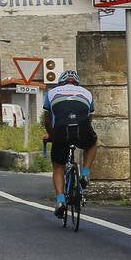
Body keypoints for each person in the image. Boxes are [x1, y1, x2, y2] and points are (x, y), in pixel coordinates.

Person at [42, 69, 98, 219]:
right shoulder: (87, 93)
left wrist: (52, 135)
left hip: (60, 131)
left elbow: (47, 120)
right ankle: (85, 174)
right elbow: (88, 119)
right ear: (77, 83)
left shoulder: (52, 93)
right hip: (81, 129)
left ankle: (60, 201)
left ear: (61, 83)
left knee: (58, 166)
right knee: (92, 143)